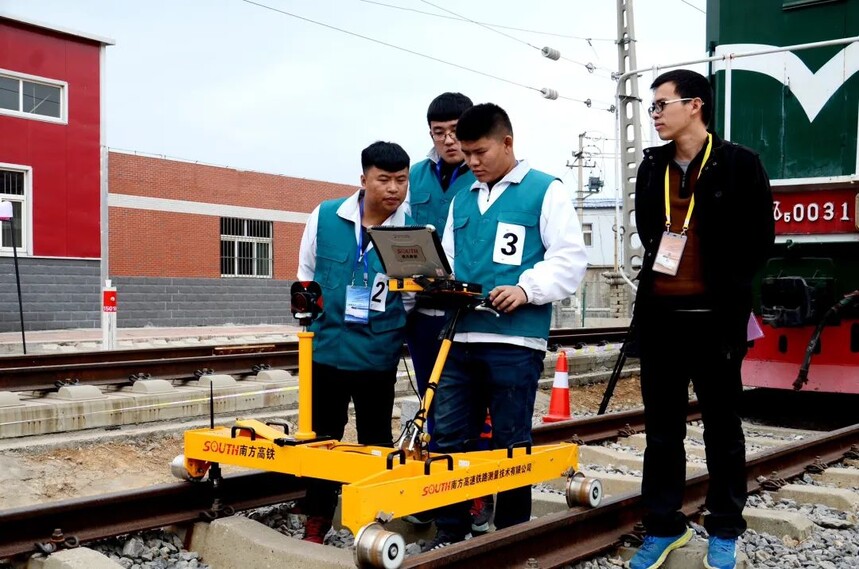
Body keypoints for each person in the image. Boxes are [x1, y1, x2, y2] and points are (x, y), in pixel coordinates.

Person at [423, 102, 588, 550]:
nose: (472, 162)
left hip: (516, 340)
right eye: (466, 154)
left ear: (507, 143)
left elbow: (570, 259)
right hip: (460, 337)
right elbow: (453, 260)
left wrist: (527, 288)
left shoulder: (544, 190)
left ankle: (512, 535)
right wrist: (438, 281)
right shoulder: (463, 199)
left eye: (480, 153)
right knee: (450, 437)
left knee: (511, 442)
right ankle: (452, 532)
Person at [627, 69, 774, 569]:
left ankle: (725, 528)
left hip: (715, 320)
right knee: (661, 431)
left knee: (722, 428)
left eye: (661, 105)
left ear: (695, 106)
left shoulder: (740, 164)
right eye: (652, 107)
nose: (655, 115)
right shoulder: (652, 168)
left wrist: (729, 287)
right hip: (662, 318)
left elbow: (760, 241)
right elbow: (651, 233)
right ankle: (663, 526)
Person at [296, 140, 414, 544]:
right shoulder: (326, 215)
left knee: (375, 439)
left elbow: (412, 296)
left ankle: (372, 523)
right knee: (322, 440)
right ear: (363, 179)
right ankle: (316, 521)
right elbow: (306, 271)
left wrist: (392, 330)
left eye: (401, 180)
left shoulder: (411, 229)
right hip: (326, 349)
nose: (394, 189)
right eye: (385, 179)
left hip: (377, 354)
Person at [403, 92, 496, 533]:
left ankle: (478, 494)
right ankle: (436, 492)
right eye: (439, 133)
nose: (449, 141)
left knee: (474, 409)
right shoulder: (414, 178)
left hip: (470, 311)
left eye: (456, 131)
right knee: (431, 404)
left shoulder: (487, 176)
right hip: (424, 311)